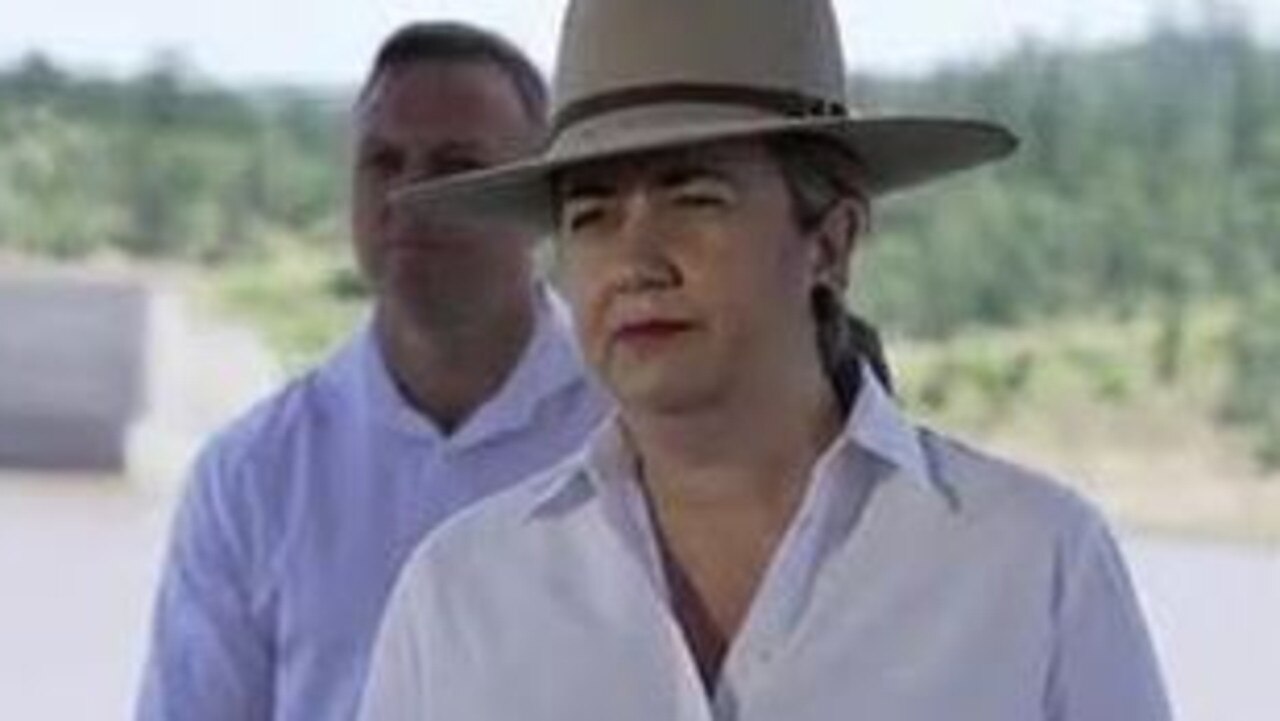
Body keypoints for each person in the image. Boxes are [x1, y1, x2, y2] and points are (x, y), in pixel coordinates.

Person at [357, 1, 1173, 720]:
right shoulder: (461, 592)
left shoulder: (1029, 562)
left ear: (830, 240)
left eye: (695, 198)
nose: (637, 261)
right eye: (592, 215)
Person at [136, 22, 607, 721]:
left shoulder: (642, 435)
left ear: (542, 200)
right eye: (383, 161)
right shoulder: (254, 474)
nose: (409, 195)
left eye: (456, 165)